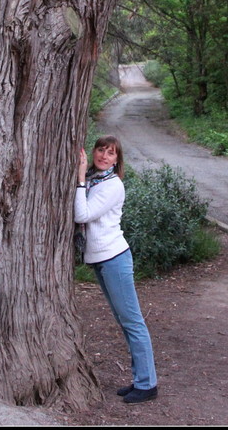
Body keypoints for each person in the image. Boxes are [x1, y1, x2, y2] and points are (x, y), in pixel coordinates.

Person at [74, 135, 158, 404]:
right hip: (102, 259)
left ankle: (147, 384)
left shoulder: (111, 186)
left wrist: (78, 179)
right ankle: (140, 379)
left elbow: (82, 215)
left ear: (117, 160)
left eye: (111, 153)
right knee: (125, 322)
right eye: (101, 150)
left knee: (133, 321)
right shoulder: (95, 179)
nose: (104, 156)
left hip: (114, 258)